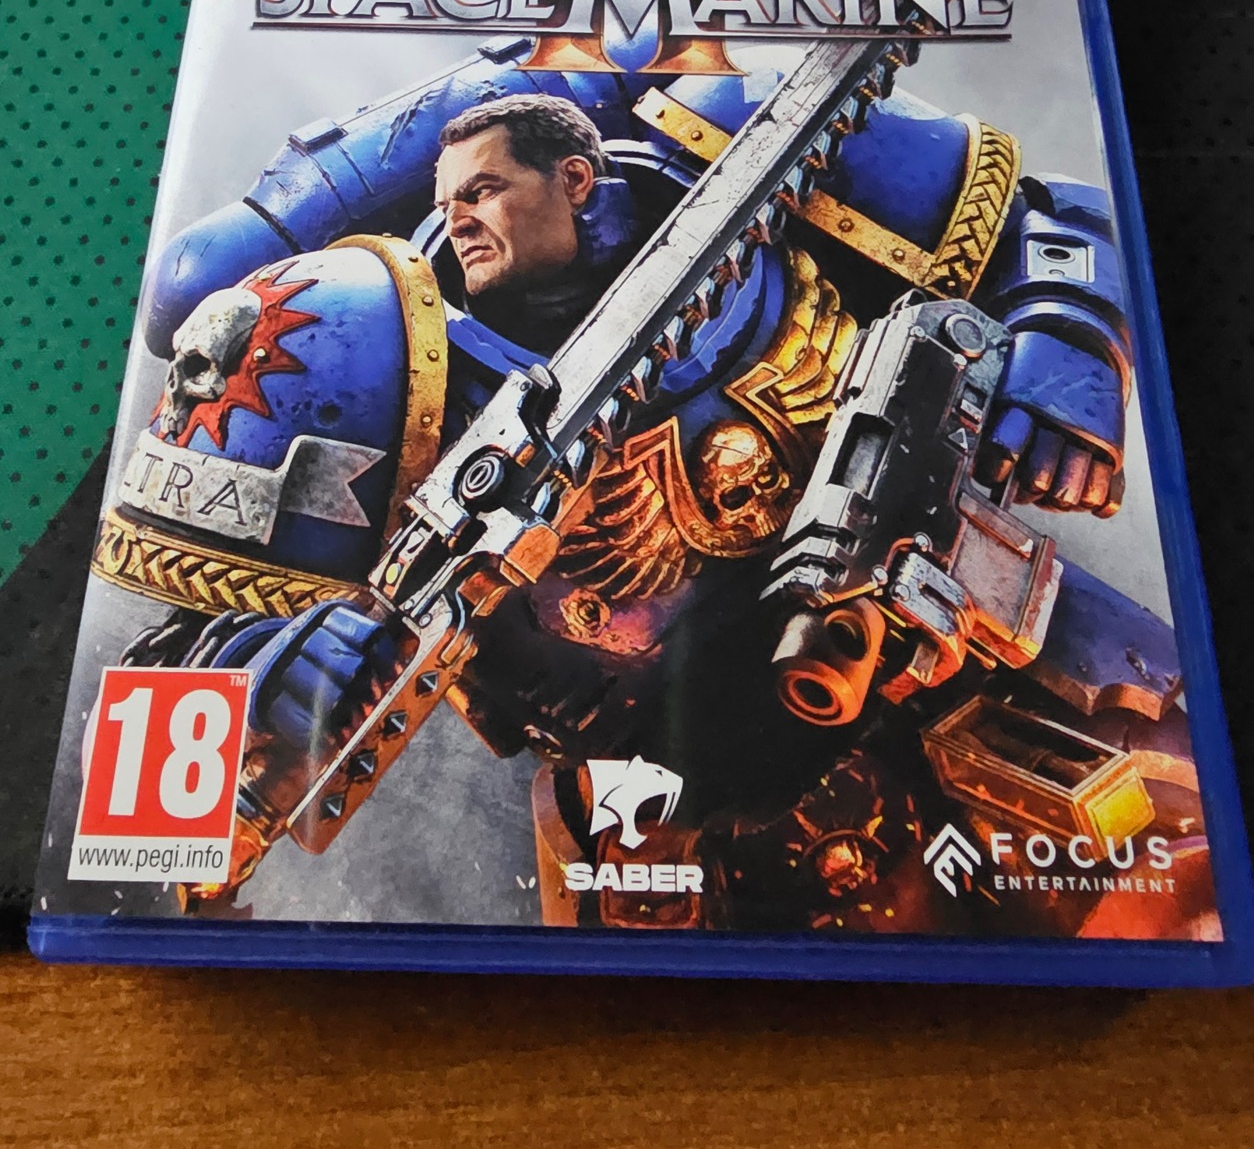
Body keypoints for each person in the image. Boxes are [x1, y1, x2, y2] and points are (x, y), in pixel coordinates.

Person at [100, 56, 1208, 937]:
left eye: (486, 188)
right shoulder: (365, 351)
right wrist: (263, 692)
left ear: (576, 180)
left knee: (1191, 869)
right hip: (664, 805)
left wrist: (1066, 340)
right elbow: (163, 727)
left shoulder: (732, 146)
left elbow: (1051, 217)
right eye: (451, 200)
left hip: (960, 648)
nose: (464, 218)